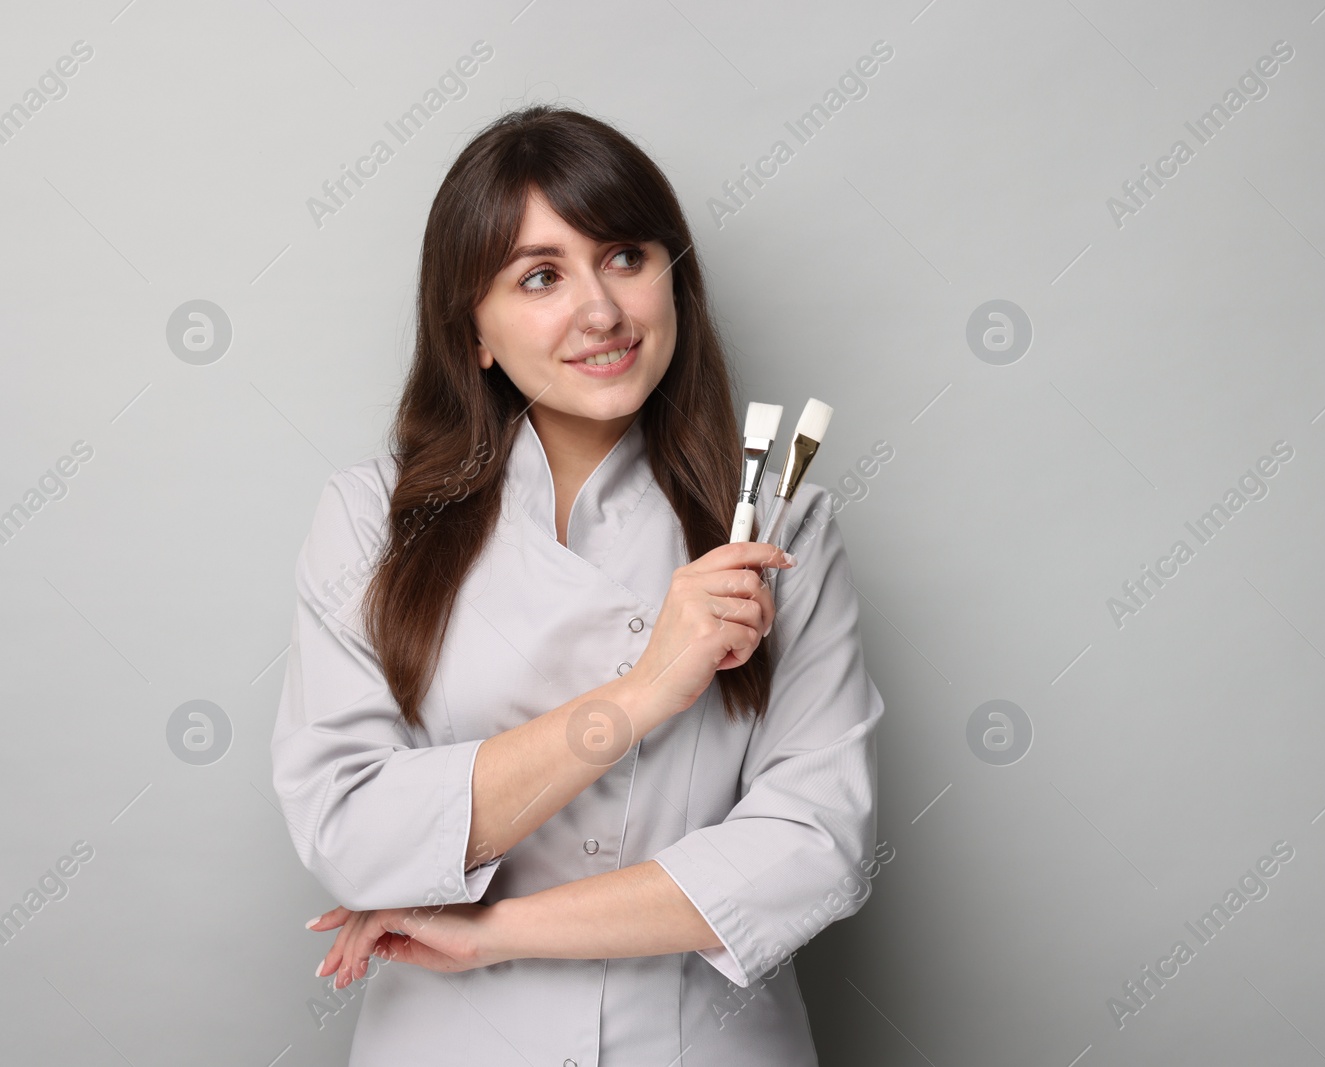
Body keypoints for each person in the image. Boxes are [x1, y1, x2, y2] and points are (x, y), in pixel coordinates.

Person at [269, 104, 885, 1066]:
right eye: (542, 276)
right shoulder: (370, 523)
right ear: (472, 331)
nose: (600, 311)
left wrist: (498, 931)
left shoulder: (776, 525)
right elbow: (350, 831)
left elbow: (814, 848)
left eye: (627, 257)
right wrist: (645, 691)